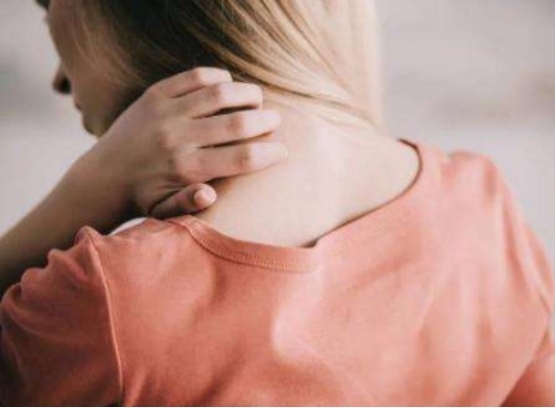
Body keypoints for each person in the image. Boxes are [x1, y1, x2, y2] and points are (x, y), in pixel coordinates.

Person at [0, 0, 553, 405]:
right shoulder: (484, 207)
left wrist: (87, 191)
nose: (59, 81)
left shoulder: (107, 302)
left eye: (48, 6)